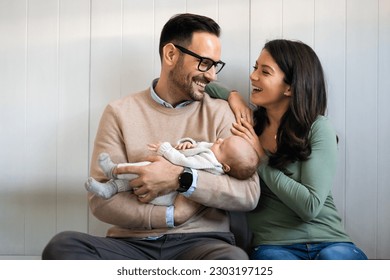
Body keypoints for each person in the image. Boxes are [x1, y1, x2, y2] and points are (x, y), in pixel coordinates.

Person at [41, 13, 260, 260]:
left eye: (215, 65)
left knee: (232, 262)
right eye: (204, 63)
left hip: (200, 244)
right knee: (62, 247)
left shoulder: (221, 113)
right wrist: (170, 216)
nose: (212, 76)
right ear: (170, 55)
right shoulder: (119, 112)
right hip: (131, 245)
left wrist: (182, 178)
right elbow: (101, 200)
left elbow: (248, 193)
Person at [205, 39, 368, 260]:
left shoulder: (317, 128)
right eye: (255, 68)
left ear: (290, 87)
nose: (253, 76)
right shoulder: (250, 126)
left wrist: (261, 159)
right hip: (273, 245)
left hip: (329, 241)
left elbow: (309, 206)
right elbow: (204, 85)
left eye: (265, 71)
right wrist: (233, 96)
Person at [85, 135, 259, 204]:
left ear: (225, 167)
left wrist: (166, 149)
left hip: (166, 194)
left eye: (223, 145)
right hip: (164, 187)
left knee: (144, 169)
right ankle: (110, 188)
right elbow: (197, 147)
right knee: (133, 181)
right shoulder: (215, 152)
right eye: (224, 139)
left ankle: (113, 170)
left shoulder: (211, 162)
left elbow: (184, 161)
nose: (219, 139)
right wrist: (188, 142)